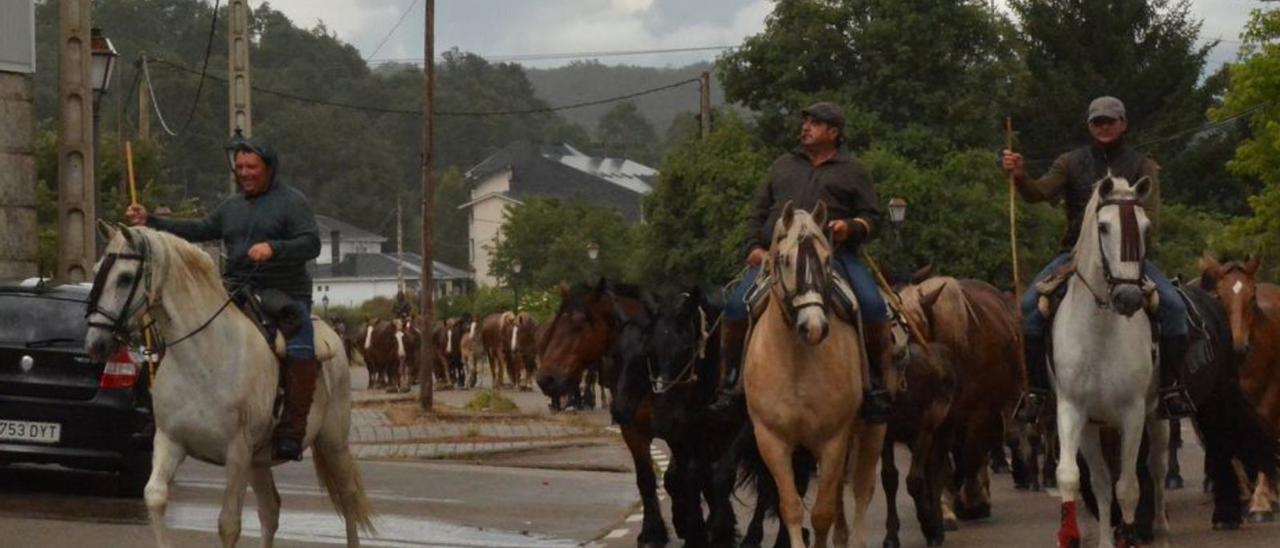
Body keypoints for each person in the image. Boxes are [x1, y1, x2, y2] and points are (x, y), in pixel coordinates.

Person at [125, 135, 322, 460]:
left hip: (285, 294)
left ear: (269, 168)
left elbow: (311, 243)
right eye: (239, 166)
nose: (243, 172)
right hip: (236, 290)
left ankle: (291, 429)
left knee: (301, 344)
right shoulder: (231, 206)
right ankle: (165, 414)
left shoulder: (293, 202)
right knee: (181, 332)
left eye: (251, 167)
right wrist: (151, 222)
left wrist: (275, 248)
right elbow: (200, 229)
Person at [1002, 96, 1195, 423]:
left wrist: (1125, 248)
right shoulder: (1070, 162)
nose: (1104, 127)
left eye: (1110, 121)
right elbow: (1038, 193)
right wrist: (1020, 177)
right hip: (1074, 255)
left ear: (1123, 124)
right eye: (1097, 122)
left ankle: (1171, 389)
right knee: (1029, 308)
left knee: (1175, 308)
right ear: (1089, 126)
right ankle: (1036, 391)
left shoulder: (1142, 165)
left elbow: (1152, 219)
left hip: (1130, 259)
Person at [712, 101, 894, 423]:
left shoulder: (854, 170)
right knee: (737, 307)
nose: (805, 127)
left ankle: (874, 387)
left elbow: (872, 219)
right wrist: (754, 247)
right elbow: (758, 212)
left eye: (814, 122)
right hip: (778, 259)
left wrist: (849, 227)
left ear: (833, 132)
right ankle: (731, 385)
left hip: (835, 258)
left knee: (873, 307)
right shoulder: (784, 165)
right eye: (805, 122)